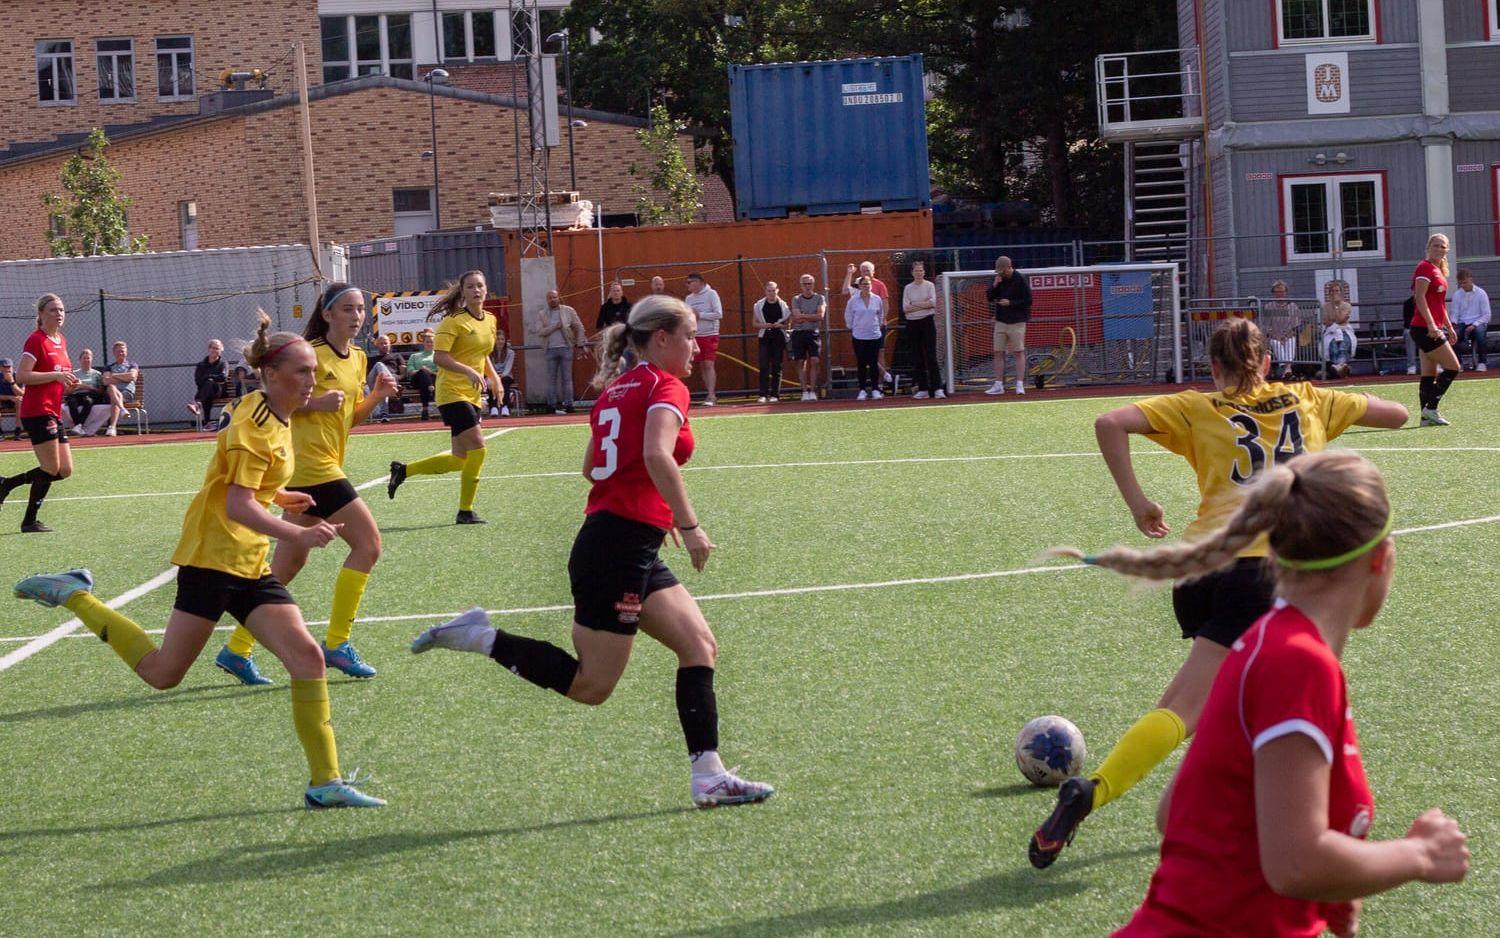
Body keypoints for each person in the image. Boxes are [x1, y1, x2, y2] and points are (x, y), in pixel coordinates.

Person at [1028, 318, 1408, 870]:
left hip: (1202, 569)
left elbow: (1108, 420)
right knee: (1201, 707)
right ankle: (1096, 790)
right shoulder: (1310, 399)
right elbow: (1394, 415)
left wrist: (1139, 504)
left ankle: (1219, 799)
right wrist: (1334, 411)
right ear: (1269, 363)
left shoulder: (1194, 407)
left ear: (1212, 369)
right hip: (1269, 577)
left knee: (1225, 700)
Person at [410, 295, 775, 809]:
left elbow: (595, 469)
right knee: (591, 686)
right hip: (617, 549)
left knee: (700, 647)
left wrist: (656, 509)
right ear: (663, 339)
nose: (696, 346)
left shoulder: (613, 392)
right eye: (690, 336)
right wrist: (688, 523)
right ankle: (480, 637)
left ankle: (708, 774)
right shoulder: (664, 385)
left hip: (626, 541)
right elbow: (654, 453)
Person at [13, 311, 384, 809]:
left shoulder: (276, 413)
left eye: (312, 372)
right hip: (212, 559)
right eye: (301, 372)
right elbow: (235, 504)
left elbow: (250, 491)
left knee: (307, 658)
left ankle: (325, 781)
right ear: (270, 375)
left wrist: (283, 498)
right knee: (163, 674)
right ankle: (73, 594)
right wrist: (300, 531)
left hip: (248, 561)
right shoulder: (254, 423)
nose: (310, 380)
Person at [1091, 452, 1469, 936]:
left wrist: (1335, 883)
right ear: (1382, 558)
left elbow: (1177, 813)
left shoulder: (1263, 642)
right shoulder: (1298, 663)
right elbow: (1294, 864)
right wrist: (1420, 854)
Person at [216, 283, 400, 685]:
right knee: (368, 546)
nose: (356, 316)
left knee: (287, 563)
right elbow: (273, 399)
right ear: (328, 313)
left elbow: (348, 418)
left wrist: (378, 396)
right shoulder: (307, 353)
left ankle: (237, 650)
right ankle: (337, 644)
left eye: (361, 309)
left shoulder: (358, 357)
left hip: (324, 465)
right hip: (312, 468)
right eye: (347, 309)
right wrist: (314, 402)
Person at [387, 269, 502, 525]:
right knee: (478, 450)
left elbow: (482, 354)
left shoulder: (490, 320)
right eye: (470, 286)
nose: (476, 290)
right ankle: (465, 511)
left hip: (471, 394)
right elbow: (440, 358)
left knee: (459, 460)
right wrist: (469, 371)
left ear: (486, 289)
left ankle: (403, 470)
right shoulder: (453, 321)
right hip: (451, 392)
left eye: (480, 286)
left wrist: (494, 378)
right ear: (462, 292)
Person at [0, 294, 79, 533]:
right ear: (42, 314)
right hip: (36, 411)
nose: (59, 314)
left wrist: (68, 384)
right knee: (49, 468)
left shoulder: (61, 340)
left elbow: (57, 375)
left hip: (52, 410)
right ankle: (29, 520)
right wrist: (55, 376)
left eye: (62, 309)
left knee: (64, 471)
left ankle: (7, 484)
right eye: (54, 310)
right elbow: (22, 376)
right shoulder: (36, 340)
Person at [1409, 232, 1461, 426]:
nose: (1439, 249)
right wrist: (1431, 324)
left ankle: (1425, 418)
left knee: (1429, 373)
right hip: (1424, 328)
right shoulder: (1424, 267)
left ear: (1447, 250)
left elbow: (1439, 304)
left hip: (1432, 327)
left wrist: (1449, 327)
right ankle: (1431, 408)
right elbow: (1420, 298)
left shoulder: (1437, 270)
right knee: (1453, 367)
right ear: (1428, 246)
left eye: (1443, 246)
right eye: (1436, 245)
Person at [985, 256, 1032, 395]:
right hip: (1001, 321)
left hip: (1017, 321)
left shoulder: (1020, 279)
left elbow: (1028, 300)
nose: (1000, 273)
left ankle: (1019, 384)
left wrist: (1011, 303)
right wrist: (994, 285)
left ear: (1008, 267)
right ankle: (998, 384)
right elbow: (989, 298)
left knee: (1018, 351)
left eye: (1002, 270)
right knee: (998, 352)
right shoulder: (999, 279)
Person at [842, 261, 893, 387]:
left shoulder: (880, 285)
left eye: (868, 270)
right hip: (860, 329)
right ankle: (881, 376)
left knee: (879, 353)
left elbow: (884, 305)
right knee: (864, 357)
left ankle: (880, 384)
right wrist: (849, 273)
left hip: (876, 327)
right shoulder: (858, 285)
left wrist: (881, 322)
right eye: (863, 270)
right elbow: (844, 291)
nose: (865, 272)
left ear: (873, 271)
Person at [537, 289, 587, 415]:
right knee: (551, 379)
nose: (552, 299)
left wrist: (580, 344)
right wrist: (555, 327)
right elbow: (540, 332)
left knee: (567, 379)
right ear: (547, 300)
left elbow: (579, 326)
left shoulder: (568, 311)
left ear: (559, 297)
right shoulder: (542, 314)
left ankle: (569, 404)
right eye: (550, 298)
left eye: (554, 297)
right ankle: (551, 406)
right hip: (550, 349)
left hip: (566, 348)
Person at [904, 261, 944, 399]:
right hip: (912, 323)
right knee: (917, 357)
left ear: (924, 272)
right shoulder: (908, 288)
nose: (919, 273)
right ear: (912, 273)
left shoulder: (930, 286)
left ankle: (937, 388)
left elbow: (933, 304)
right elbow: (906, 308)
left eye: (921, 270)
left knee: (931, 356)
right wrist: (924, 305)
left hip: (927, 322)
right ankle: (923, 389)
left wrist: (915, 304)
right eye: (916, 271)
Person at [683, 273, 723, 405]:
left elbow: (718, 314)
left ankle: (712, 395)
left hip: (710, 334)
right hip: (696, 335)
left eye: (690, 282)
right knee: (702, 365)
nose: (688, 285)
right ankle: (708, 394)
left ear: (699, 282)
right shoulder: (689, 299)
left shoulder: (712, 294)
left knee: (708, 364)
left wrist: (700, 315)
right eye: (687, 283)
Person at [845, 276, 886, 401]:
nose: (866, 286)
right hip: (859, 336)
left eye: (868, 284)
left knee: (873, 363)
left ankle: (875, 389)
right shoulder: (853, 300)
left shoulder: (877, 299)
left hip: (874, 335)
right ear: (859, 286)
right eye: (863, 284)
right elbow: (848, 315)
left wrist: (876, 327)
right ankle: (862, 390)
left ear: (871, 285)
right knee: (861, 363)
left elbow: (880, 315)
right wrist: (853, 328)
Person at [789, 275, 826, 402]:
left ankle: (813, 390)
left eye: (809, 283)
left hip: (813, 333)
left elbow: (820, 316)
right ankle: (805, 390)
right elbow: (796, 316)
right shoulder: (796, 299)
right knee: (800, 362)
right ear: (801, 285)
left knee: (815, 360)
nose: (807, 286)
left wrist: (804, 316)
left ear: (813, 284)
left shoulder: (820, 298)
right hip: (799, 333)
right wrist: (810, 316)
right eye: (805, 284)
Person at [752, 280, 789, 403]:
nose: (771, 293)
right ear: (765, 291)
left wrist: (780, 325)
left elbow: (788, 323)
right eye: (769, 291)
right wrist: (764, 325)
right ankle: (763, 394)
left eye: (773, 290)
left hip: (778, 337)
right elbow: (754, 323)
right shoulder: (759, 305)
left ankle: (775, 394)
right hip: (765, 336)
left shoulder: (783, 305)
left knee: (777, 366)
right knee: (764, 366)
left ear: (777, 290)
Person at [1451, 267, 1491, 372]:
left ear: (1471, 279)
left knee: (1480, 332)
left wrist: (1474, 325)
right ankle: (1458, 363)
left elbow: (1487, 315)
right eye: (1461, 283)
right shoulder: (1456, 295)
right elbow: (1454, 314)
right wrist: (1453, 324)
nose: (1463, 285)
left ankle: (1482, 362)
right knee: (1452, 335)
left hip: (1478, 322)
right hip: (1462, 323)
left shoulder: (1481, 293)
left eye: (1465, 282)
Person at [1261, 280, 1301, 380]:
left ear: (1286, 292)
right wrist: (1275, 335)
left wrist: (1286, 335)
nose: (1280, 294)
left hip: (1288, 334)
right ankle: (1287, 368)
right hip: (1274, 335)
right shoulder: (1269, 307)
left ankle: (1286, 369)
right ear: (1273, 293)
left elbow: (1295, 325)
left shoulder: (1292, 307)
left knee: (1291, 341)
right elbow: (1266, 326)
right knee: (1276, 343)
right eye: (1277, 292)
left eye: (1282, 291)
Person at [64, 348, 108, 434]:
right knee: (71, 402)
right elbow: (67, 392)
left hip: (90, 395)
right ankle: (79, 426)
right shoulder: (74, 373)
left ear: (91, 359)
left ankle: (78, 425)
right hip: (76, 395)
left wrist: (86, 386)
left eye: (88, 358)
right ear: (80, 360)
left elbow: (100, 391)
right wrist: (75, 386)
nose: (86, 360)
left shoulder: (97, 374)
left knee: (88, 401)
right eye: (84, 358)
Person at [99, 340, 139, 437]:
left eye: (122, 351)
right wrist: (123, 378)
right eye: (118, 351)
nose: (121, 353)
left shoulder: (132, 365)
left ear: (126, 352)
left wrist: (114, 376)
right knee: (112, 388)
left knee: (114, 397)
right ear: (114, 353)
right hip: (111, 393)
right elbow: (105, 381)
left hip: (127, 393)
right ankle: (122, 410)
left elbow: (132, 376)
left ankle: (112, 427)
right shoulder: (109, 367)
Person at [188, 339, 229, 425]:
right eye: (213, 348)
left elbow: (223, 377)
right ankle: (207, 423)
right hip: (206, 391)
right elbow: (198, 381)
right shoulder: (201, 365)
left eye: (217, 348)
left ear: (221, 350)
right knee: (207, 390)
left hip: (218, 391)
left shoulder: (223, 364)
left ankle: (197, 404)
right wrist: (209, 379)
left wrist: (209, 377)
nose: (214, 350)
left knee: (209, 383)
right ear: (209, 349)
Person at [1321, 284, 1357, 380]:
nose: (1334, 293)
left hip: (1344, 329)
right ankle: (1341, 367)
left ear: (1341, 293)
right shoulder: (1325, 306)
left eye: (1337, 291)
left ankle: (1337, 366)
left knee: (1343, 344)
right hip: (1331, 330)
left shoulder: (1346, 305)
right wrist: (1336, 321)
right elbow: (1325, 321)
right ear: (1329, 293)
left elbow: (1341, 319)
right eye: (1332, 291)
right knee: (1332, 345)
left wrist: (1336, 308)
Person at [367, 333, 405, 421]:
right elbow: (368, 377)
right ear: (377, 345)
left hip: (386, 384)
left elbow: (403, 374)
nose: (384, 345)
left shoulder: (397, 356)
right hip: (374, 382)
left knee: (384, 386)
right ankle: (393, 386)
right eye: (381, 343)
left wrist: (397, 377)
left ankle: (384, 414)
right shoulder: (371, 359)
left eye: (385, 343)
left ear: (389, 344)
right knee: (379, 365)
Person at [405, 329, 437, 420]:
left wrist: (429, 372)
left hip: (434, 378)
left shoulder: (438, 356)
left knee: (425, 382)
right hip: (417, 379)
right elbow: (410, 370)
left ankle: (425, 410)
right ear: (423, 343)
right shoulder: (414, 356)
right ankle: (430, 386)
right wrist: (421, 370)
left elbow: (440, 372)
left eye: (431, 342)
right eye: (427, 342)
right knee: (423, 373)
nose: (429, 344)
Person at [0, 358, 22, 441]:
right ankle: (0, 433)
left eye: (9, 367)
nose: (7, 369)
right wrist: (9, 397)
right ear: (0, 368)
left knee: (20, 401)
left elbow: (22, 393)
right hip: (3, 400)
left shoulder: (18, 376)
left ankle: (18, 431)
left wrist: (12, 382)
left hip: (15, 401)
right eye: (5, 367)